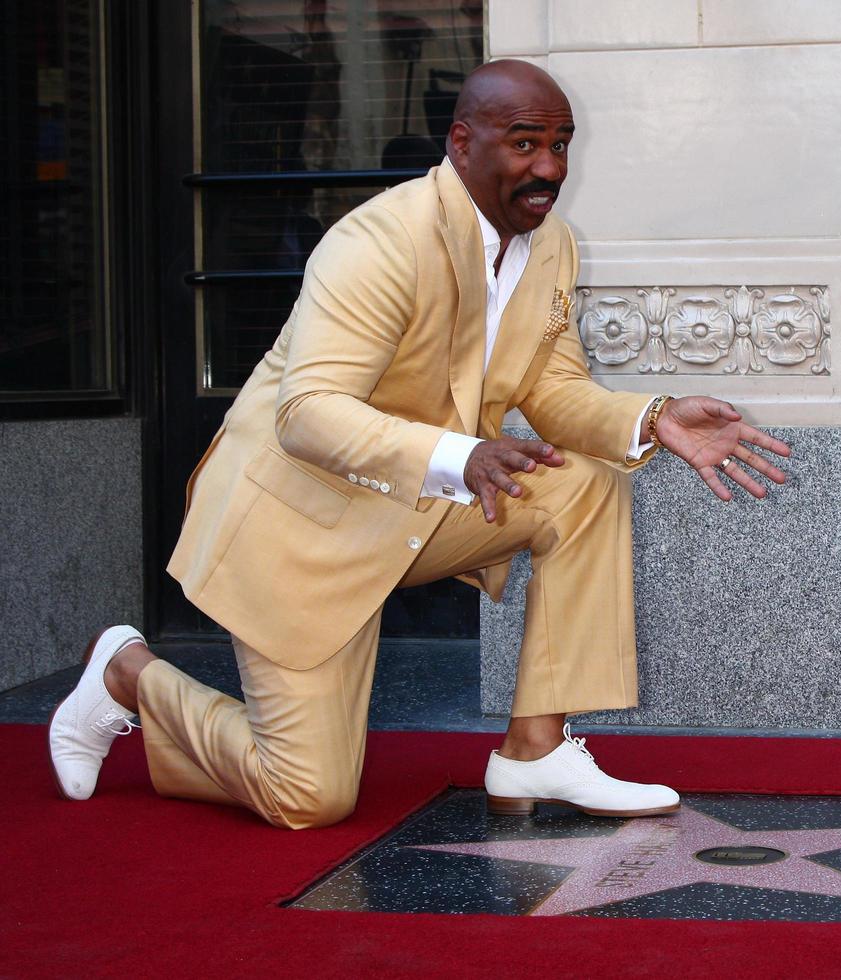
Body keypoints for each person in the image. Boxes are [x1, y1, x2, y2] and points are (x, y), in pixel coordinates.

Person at [47, 60, 791, 829]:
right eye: (525, 142)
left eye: (561, 145)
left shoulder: (554, 246)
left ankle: (535, 751)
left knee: (588, 486)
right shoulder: (380, 239)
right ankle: (127, 675)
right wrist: (457, 455)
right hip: (301, 527)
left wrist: (653, 419)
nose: (549, 167)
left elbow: (552, 389)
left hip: (414, 509)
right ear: (462, 143)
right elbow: (306, 412)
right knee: (306, 796)